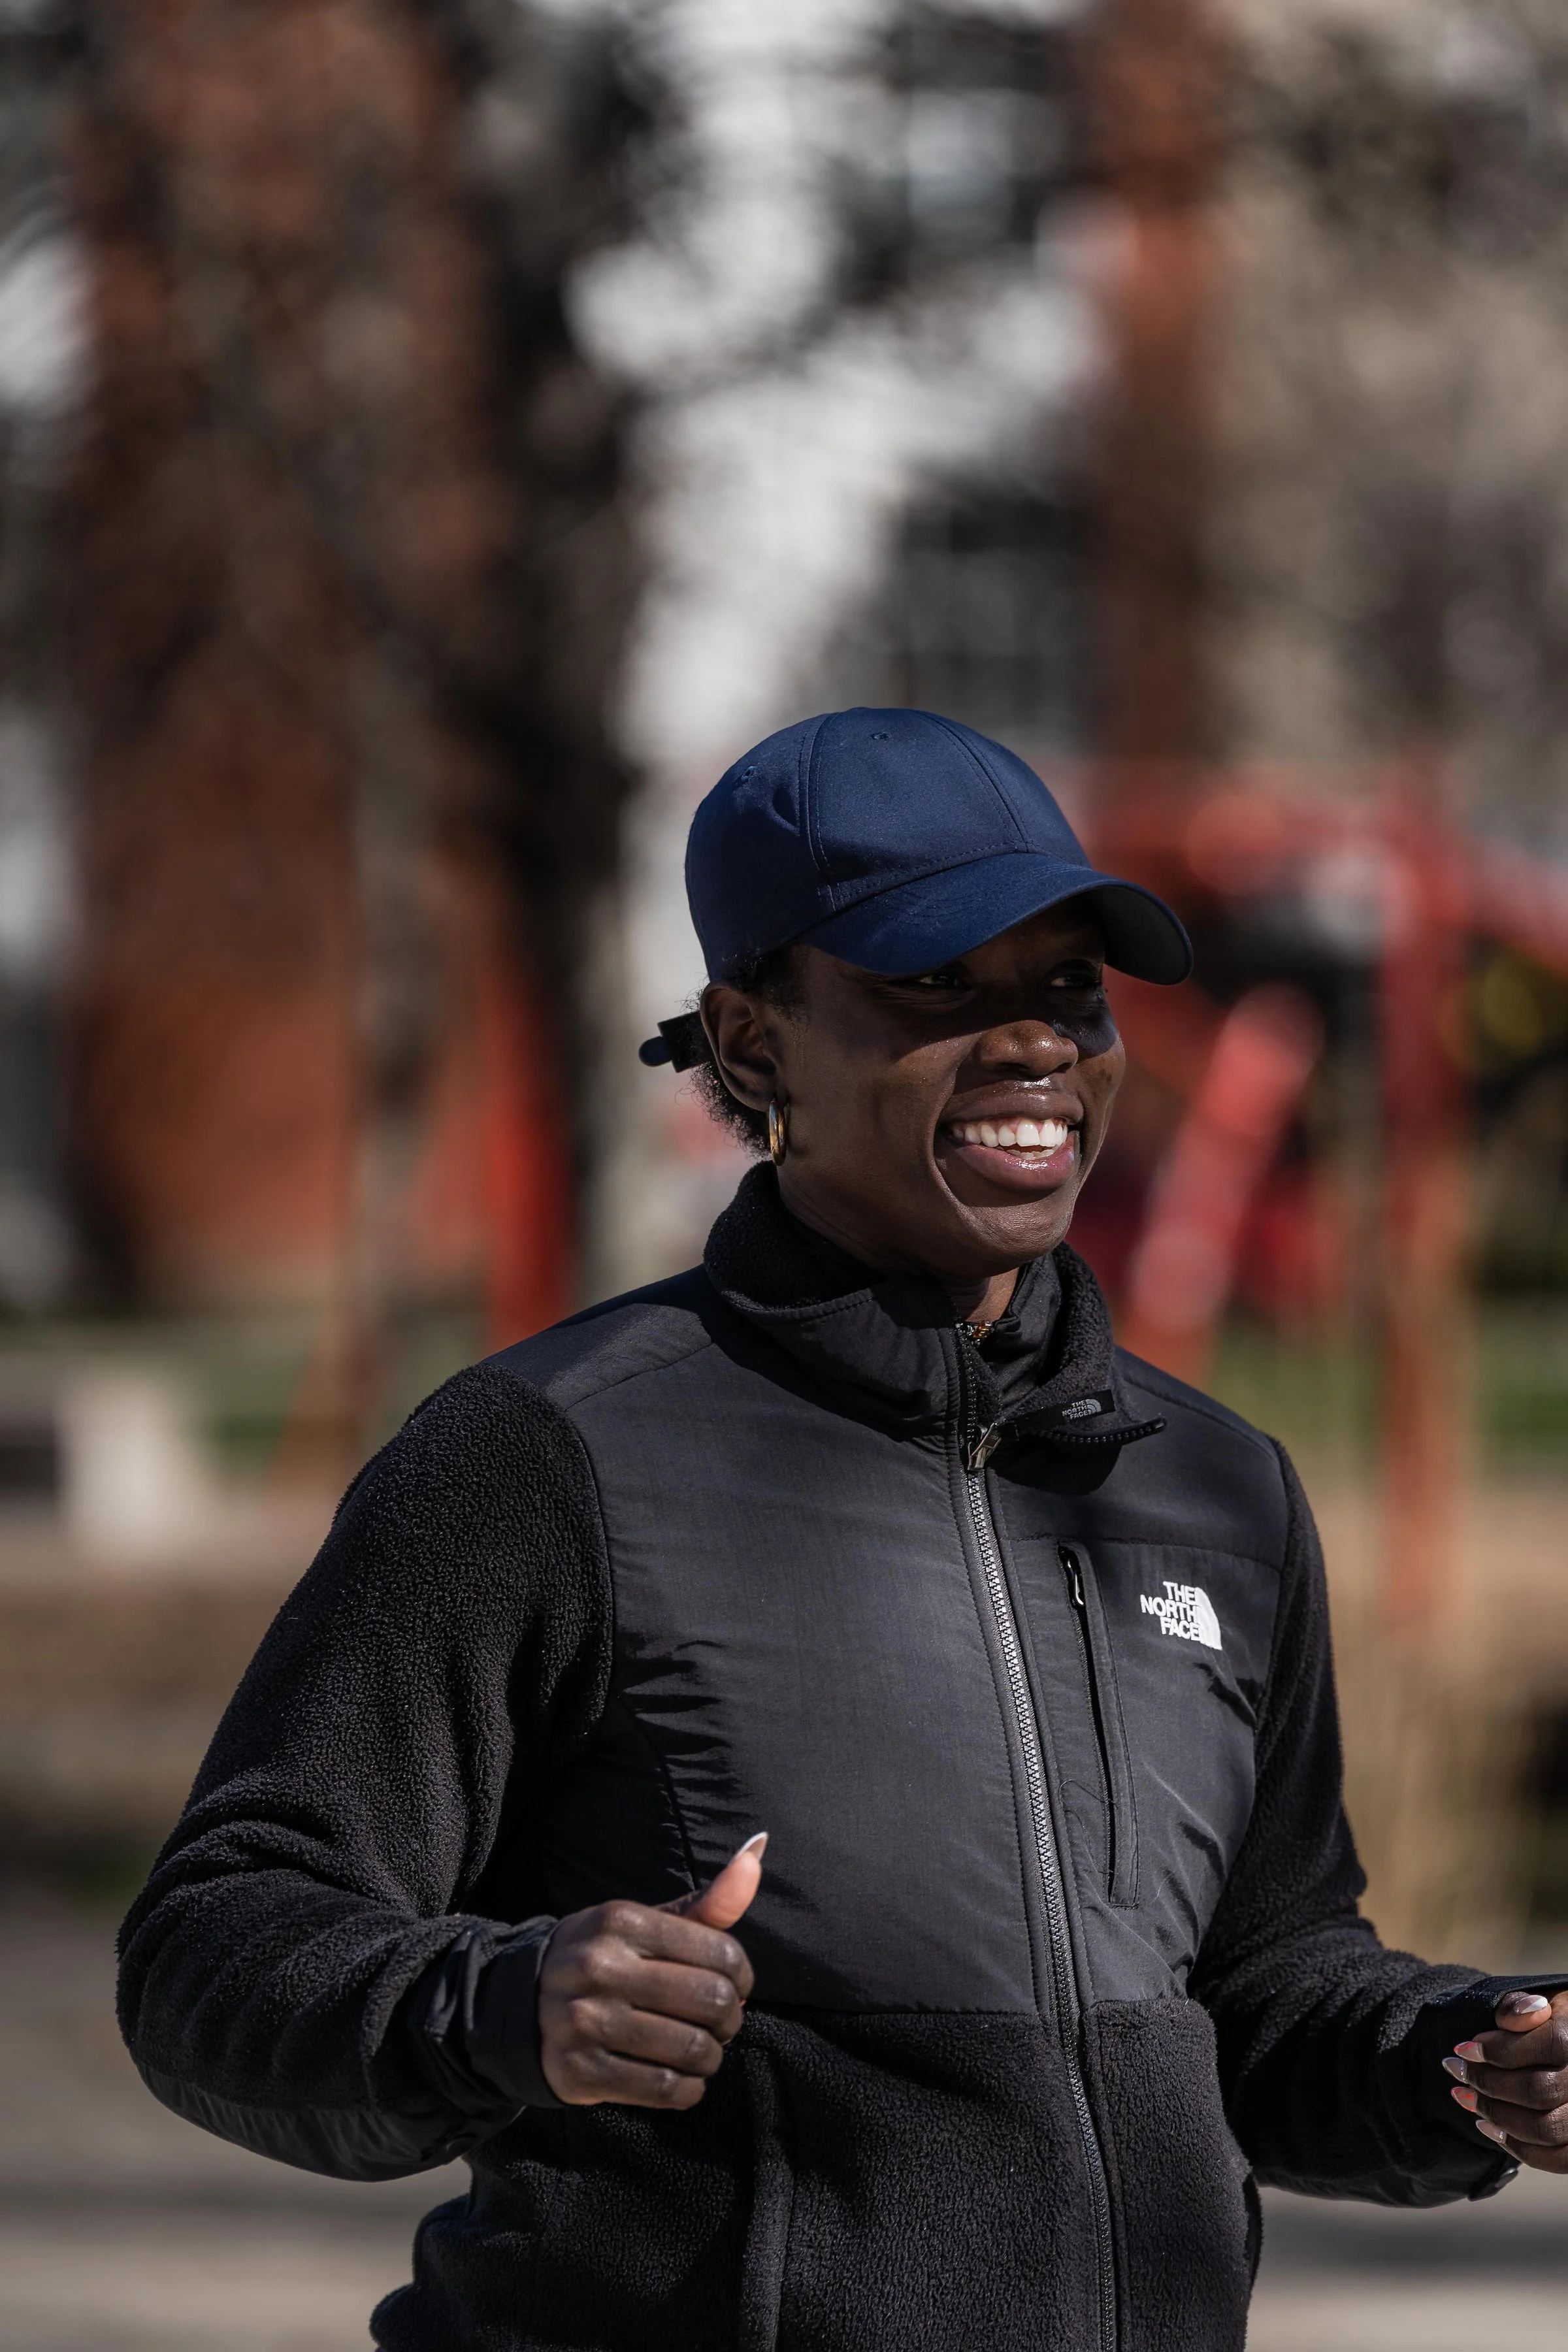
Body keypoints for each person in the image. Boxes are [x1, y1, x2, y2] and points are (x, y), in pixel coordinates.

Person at [119, 708, 1568, 2352]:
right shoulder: (546, 1456)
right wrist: (507, 2007)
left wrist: (1469, 2056)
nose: (1032, 1042)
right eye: (935, 983)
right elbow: (214, 1950)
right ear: (752, 1047)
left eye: (1068, 986)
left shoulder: (1211, 1487)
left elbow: (1262, 1990)